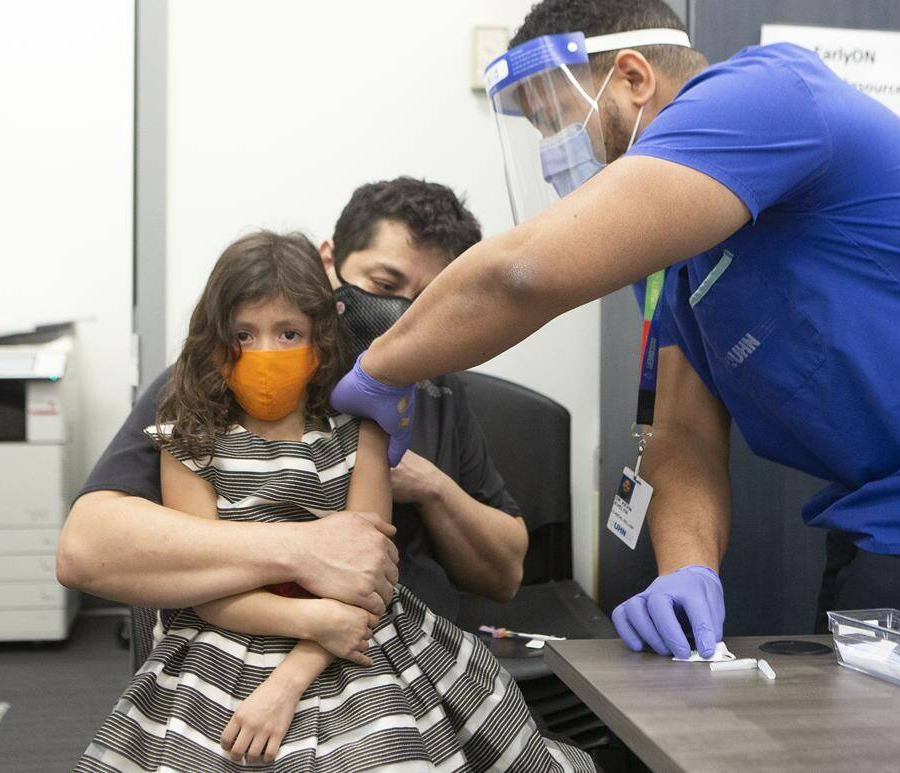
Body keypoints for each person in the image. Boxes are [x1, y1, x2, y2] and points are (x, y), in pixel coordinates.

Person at [331, 0, 900, 660]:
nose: (556, 152)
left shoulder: (762, 96)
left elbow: (521, 272)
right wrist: (686, 569)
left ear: (631, 78)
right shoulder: (675, 258)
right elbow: (682, 433)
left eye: (556, 122)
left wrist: (378, 367)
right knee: (842, 683)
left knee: (873, 720)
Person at [76, 231, 592, 772]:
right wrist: (314, 620)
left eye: (289, 333)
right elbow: (202, 586)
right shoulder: (188, 440)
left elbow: (371, 583)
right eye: (243, 335)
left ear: (322, 339)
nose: (265, 352)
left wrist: (293, 676)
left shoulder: (363, 433)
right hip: (227, 642)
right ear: (213, 339)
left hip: (352, 643)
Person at [57, 177, 528, 627]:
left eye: (428, 298)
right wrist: (305, 548)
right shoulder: (214, 381)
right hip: (247, 633)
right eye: (384, 285)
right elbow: (85, 547)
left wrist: (431, 487)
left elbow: (505, 574)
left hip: (394, 639)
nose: (402, 313)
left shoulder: (436, 388)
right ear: (329, 260)